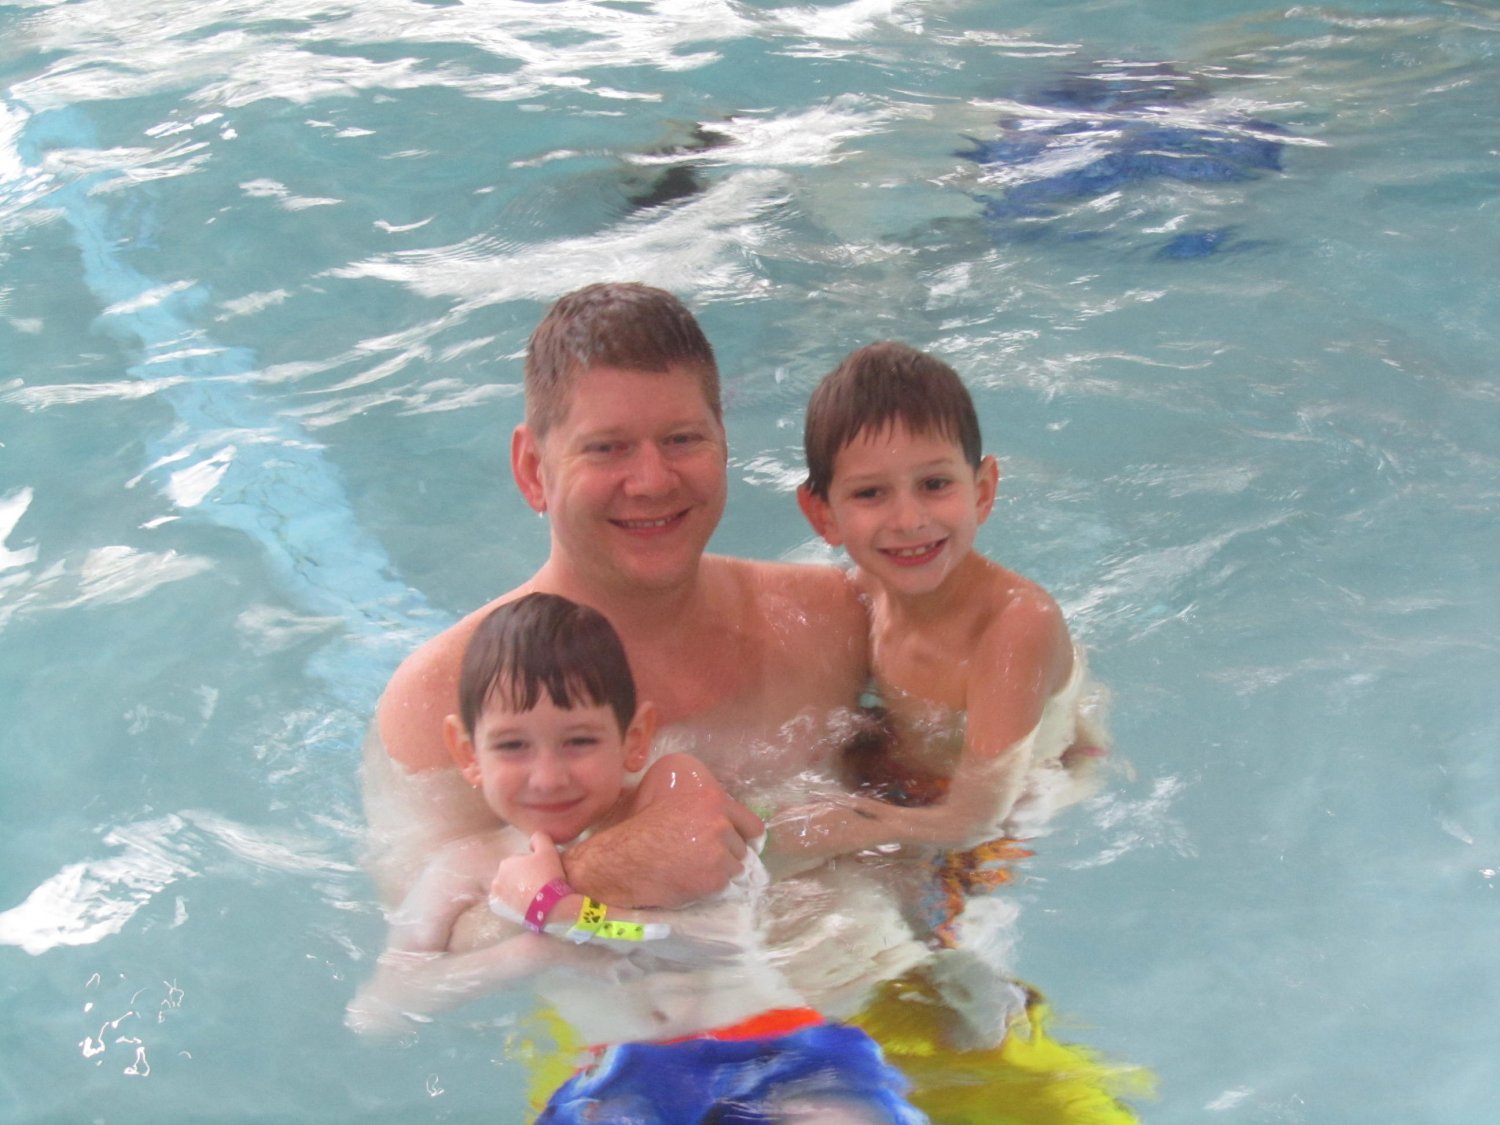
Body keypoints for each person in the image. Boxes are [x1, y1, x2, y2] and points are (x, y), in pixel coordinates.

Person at [349, 592, 928, 1125]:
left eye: (579, 741)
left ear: (634, 737)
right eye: (512, 745)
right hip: (624, 1078)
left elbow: (708, 942)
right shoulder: (465, 866)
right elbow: (379, 1009)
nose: (548, 777)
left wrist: (560, 909)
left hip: (771, 1045)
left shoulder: (676, 808)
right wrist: (528, 951)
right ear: (465, 751)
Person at [781, 340, 1106, 892]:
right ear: (823, 515)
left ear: (982, 491)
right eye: (870, 493)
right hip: (925, 780)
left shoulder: (1013, 628)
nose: (908, 519)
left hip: (1021, 794)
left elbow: (976, 819)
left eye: (934, 484)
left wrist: (851, 824)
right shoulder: (863, 596)